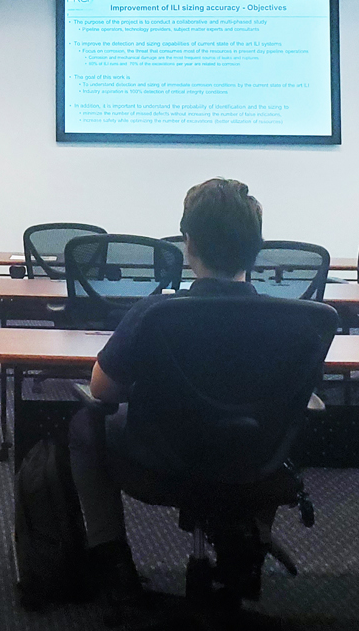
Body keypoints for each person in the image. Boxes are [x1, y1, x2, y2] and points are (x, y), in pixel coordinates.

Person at [67, 178, 265, 606]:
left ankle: (114, 565)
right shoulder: (293, 320)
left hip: (160, 463)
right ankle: (245, 556)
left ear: (188, 244)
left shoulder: (157, 313)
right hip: (253, 464)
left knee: (86, 424)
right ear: (256, 247)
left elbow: (103, 389)